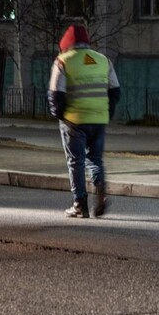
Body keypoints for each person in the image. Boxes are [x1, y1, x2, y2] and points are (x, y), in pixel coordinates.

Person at [48, 23, 120, 219]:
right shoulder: (102, 60)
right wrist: (106, 112)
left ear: (66, 45)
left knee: (76, 162)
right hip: (98, 118)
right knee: (95, 160)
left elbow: (55, 93)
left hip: (74, 120)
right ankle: (100, 190)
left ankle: (80, 204)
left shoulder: (62, 61)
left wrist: (60, 115)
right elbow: (115, 91)